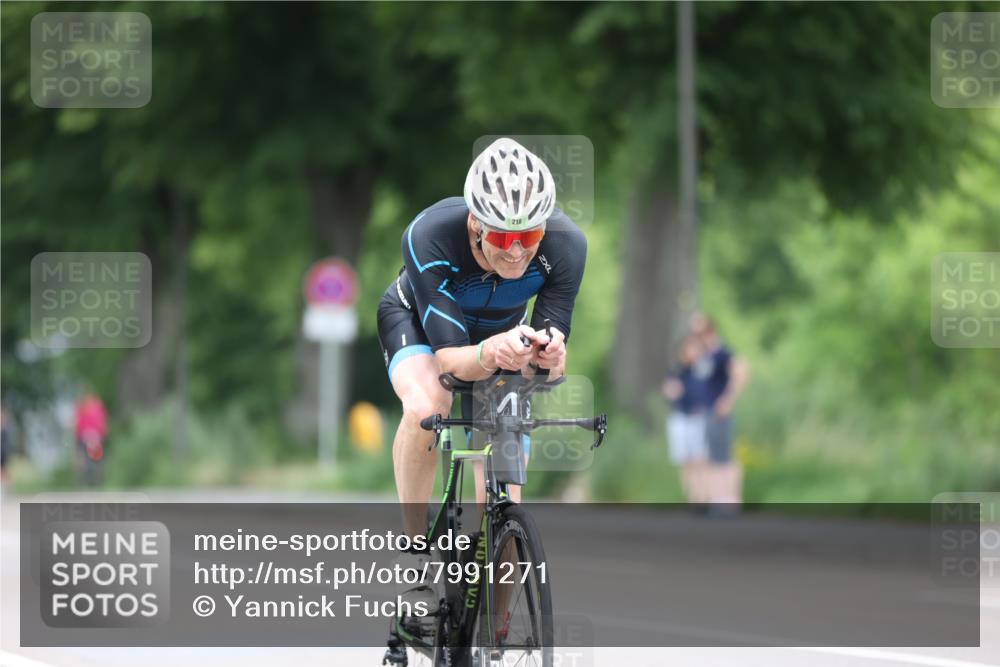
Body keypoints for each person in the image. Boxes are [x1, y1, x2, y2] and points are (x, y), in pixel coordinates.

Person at [376, 137, 587, 551]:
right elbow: (452, 363)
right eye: (504, 237)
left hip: (503, 338)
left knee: (505, 498)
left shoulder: (566, 246)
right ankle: (416, 546)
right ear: (476, 223)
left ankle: (499, 614)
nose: (516, 251)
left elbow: (543, 373)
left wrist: (549, 359)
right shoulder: (431, 234)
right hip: (419, 326)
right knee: (428, 405)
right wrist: (490, 352)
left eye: (529, 236)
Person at [690, 313, 749, 508]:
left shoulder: (722, 352)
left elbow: (741, 373)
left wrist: (728, 399)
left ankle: (732, 498)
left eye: (700, 330)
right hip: (706, 411)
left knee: (725, 456)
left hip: (719, 410)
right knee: (710, 456)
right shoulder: (705, 354)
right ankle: (717, 496)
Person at [662, 335, 709, 503]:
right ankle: (692, 498)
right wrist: (672, 390)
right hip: (681, 417)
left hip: (698, 417)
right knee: (686, 461)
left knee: (700, 459)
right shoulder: (678, 370)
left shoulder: (703, 370)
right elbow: (669, 389)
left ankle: (703, 496)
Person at [74, 393, 108, 486]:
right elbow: (102, 423)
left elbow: (78, 425)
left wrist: (77, 438)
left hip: (84, 436)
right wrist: (103, 435)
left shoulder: (82, 408)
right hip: (97, 436)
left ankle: (86, 476)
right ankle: (97, 477)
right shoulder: (98, 407)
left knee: (83, 456)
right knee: (97, 458)